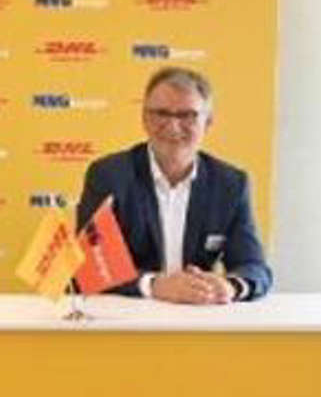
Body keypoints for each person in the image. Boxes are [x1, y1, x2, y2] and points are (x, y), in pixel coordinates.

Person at [76, 67, 270, 303]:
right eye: (161, 113)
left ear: (208, 122)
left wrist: (231, 287)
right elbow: (90, 265)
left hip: (198, 315)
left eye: (187, 115)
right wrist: (154, 285)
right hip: (129, 315)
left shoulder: (230, 184)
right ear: (144, 118)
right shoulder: (109, 176)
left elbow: (253, 266)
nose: (173, 126)